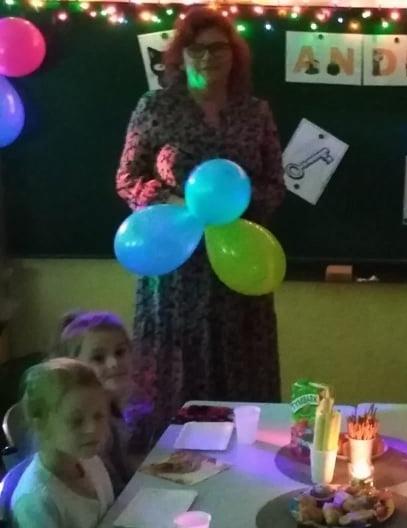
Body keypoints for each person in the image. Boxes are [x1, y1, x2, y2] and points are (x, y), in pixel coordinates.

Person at [115, 7, 284, 434]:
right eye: (197, 48)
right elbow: (127, 179)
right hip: (175, 268)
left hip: (239, 263)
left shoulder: (255, 112)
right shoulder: (155, 107)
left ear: (234, 54)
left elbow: (274, 184)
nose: (208, 57)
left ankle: (244, 459)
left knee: (242, 379)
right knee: (175, 381)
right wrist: (176, 204)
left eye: (218, 47)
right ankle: (170, 461)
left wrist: (233, 209)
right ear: (181, 55)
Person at [11, 359, 114, 528]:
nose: (92, 429)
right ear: (40, 423)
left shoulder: (90, 461)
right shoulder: (36, 501)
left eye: (99, 415)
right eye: (76, 421)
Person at [53, 310, 154, 493]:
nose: (114, 363)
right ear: (74, 366)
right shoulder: (86, 424)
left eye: (120, 352)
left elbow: (125, 467)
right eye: (98, 358)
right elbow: (107, 490)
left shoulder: (113, 406)